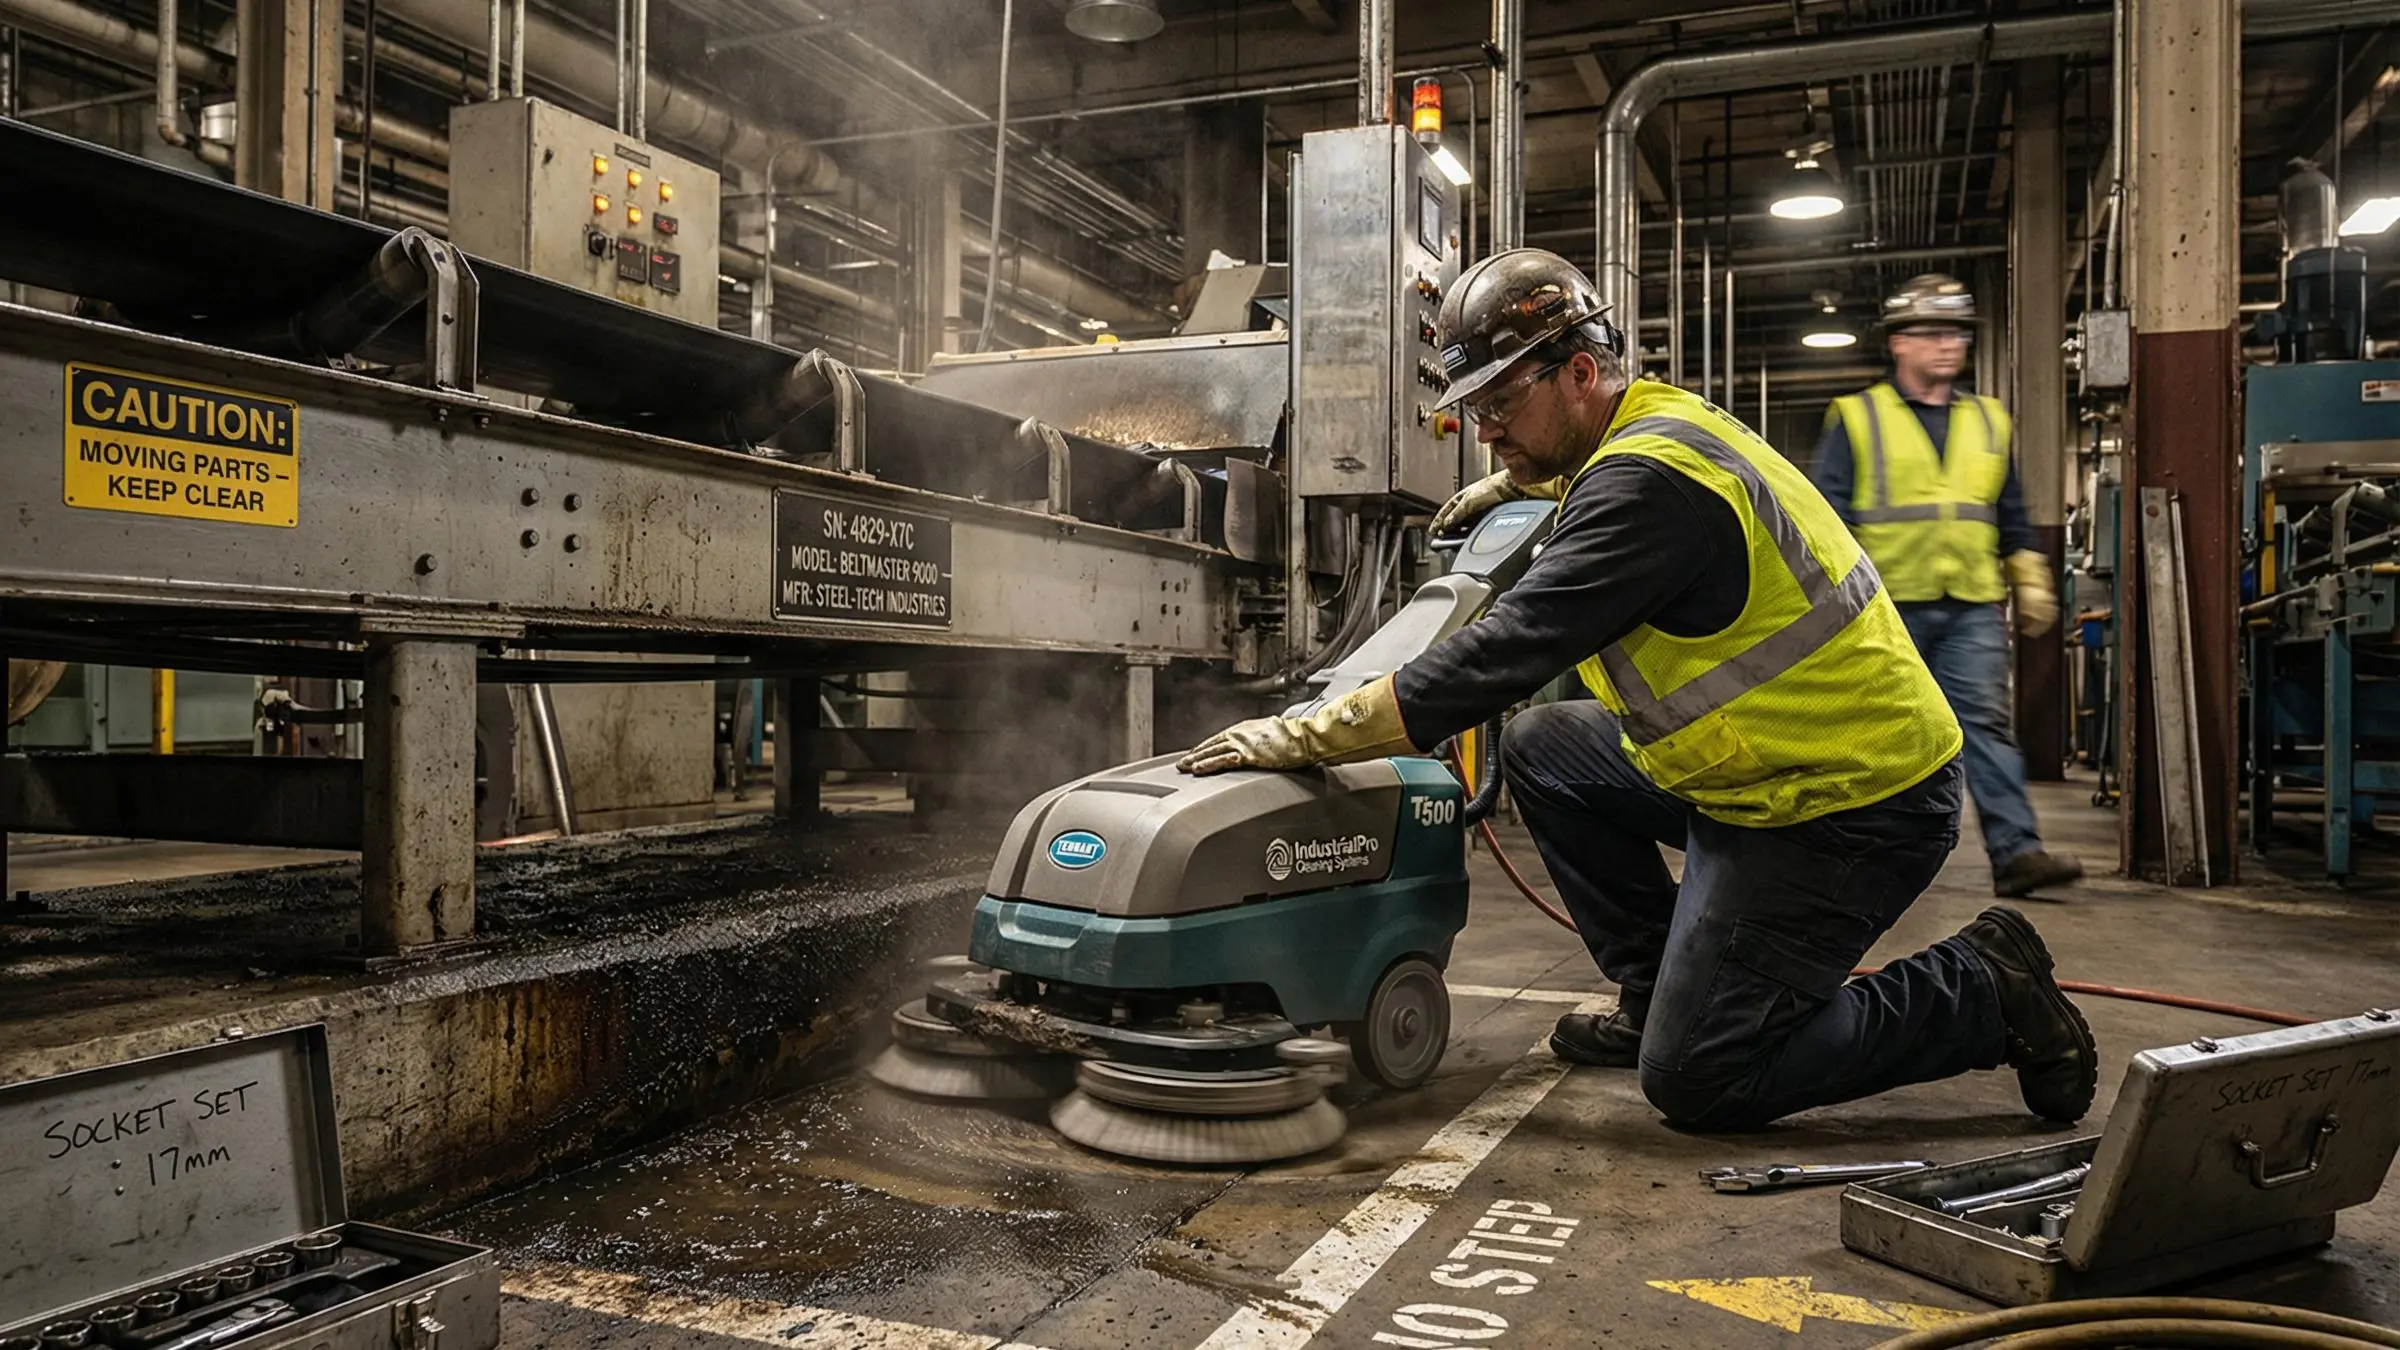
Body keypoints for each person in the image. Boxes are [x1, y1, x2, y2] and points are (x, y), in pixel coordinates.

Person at [1177, 249, 2096, 1131]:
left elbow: (1506, 653)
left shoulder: (1649, 489)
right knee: (1544, 751)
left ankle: (1984, 984)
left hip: (1848, 803)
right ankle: (1657, 986)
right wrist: (1519, 478)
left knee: (1702, 1074)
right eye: (1476, 409)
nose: (1484, 428)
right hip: (1756, 772)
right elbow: (1596, 477)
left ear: (1580, 373)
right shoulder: (1642, 421)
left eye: (1500, 403)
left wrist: (1304, 734)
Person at [1811, 275, 2083, 900]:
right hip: (1884, 608)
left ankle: (2017, 853)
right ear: (1899, 342)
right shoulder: (1858, 418)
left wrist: (2030, 576)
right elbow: (1828, 516)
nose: (1948, 345)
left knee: (1984, 727)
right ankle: (1857, 855)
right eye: (1933, 332)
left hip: (1969, 605)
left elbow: (2008, 511)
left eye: (1957, 333)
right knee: (1874, 735)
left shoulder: (1989, 423)